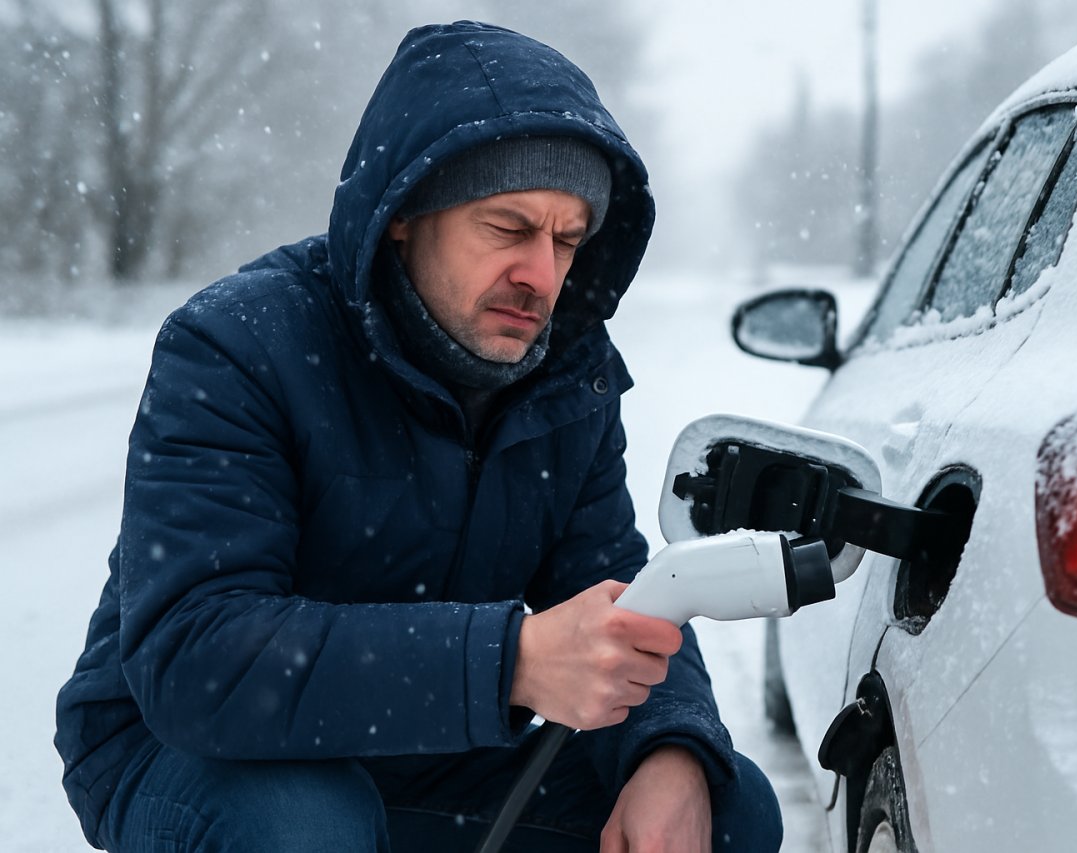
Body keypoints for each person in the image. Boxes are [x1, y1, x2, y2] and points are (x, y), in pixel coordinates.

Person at [54, 20, 784, 853]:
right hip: (189, 750)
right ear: (403, 215)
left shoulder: (566, 377)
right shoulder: (239, 345)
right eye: (509, 228)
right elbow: (195, 656)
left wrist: (670, 748)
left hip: (434, 745)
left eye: (567, 239)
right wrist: (510, 660)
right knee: (306, 822)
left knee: (723, 809)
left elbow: (615, 586)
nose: (540, 275)